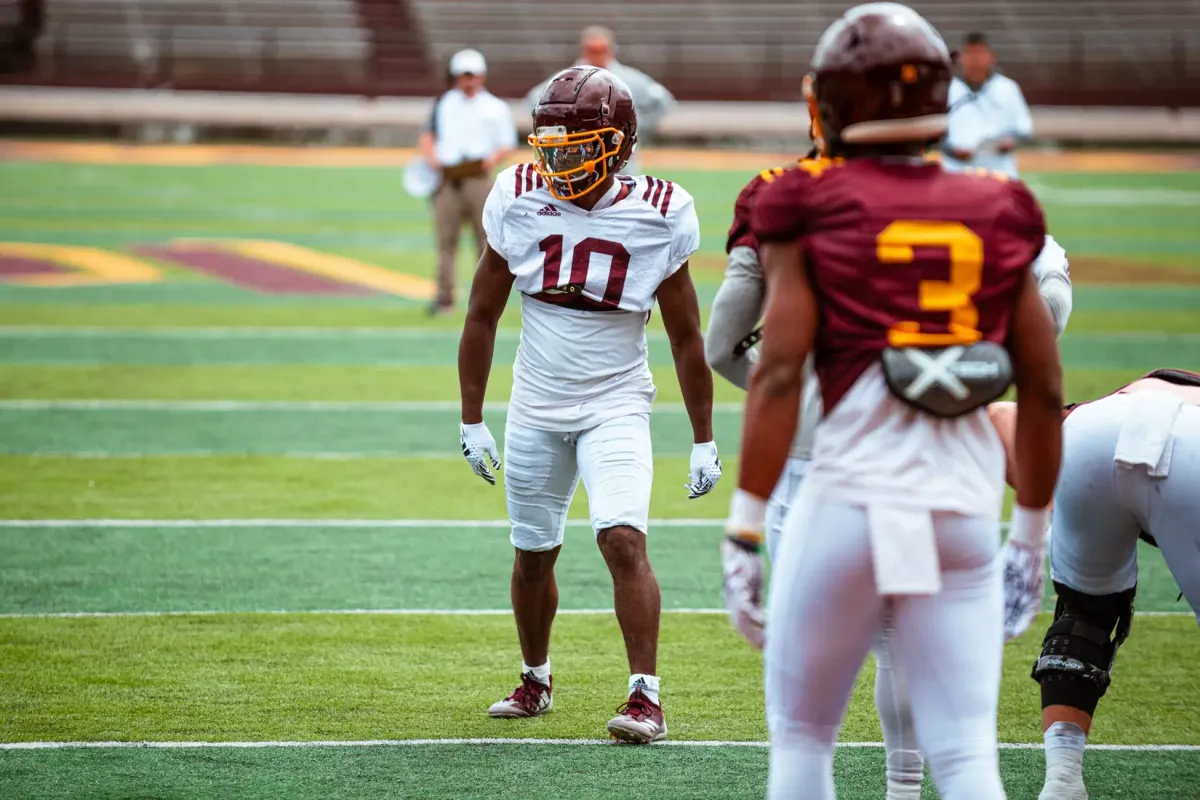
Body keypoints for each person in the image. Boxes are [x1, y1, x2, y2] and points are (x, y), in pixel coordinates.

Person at [718, 4, 1064, 798]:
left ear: (833, 104)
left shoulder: (801, 199)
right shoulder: (1000, 205)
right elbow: (1042, 388)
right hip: (962, 514)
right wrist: (1032, 538)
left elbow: (775, 372)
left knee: (803, 742)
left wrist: (743, 526)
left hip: (849, 498)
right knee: (969, 757)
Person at [457, 65, 721, 744]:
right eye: (552, 147)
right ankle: (535, 677)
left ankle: (645, 697)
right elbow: (482, 314)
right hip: (537, 406)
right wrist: (471, 416)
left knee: (622, 537)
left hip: (615, 402)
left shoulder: (660, 210)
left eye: (576, 147)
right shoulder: (517, 195)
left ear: (619, 143)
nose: (559, 160)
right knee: (533, 553)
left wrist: (703, 435)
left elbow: (689, 337)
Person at [987, 370, 1200, 800]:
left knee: (1084, 616)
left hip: (1091, 434)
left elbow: (1000, 414)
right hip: (1192, 445)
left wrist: (1053, 511)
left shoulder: (1130, 399)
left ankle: (1063, 781)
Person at [418, 48, 517, 315]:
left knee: (486, 242)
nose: (468, 81)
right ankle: (444, 297)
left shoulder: (494, 107)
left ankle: (485, 298)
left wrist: (489, 160)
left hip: (477, 178)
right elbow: (428, 136)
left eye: (472, 75)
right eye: (463, 75)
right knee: (445, 241)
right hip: (448, 179)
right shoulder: (442, 103)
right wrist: (432, 160)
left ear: (481, 76)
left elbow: (507, 143)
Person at [525, 26, 675, 175]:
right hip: (576, 156)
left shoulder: (629, 79)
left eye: (601, 50)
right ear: (584, 50)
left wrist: (639, 128)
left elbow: (663, 101)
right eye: (592, 51)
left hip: (619, 156)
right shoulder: (565, 80)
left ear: (610, 50)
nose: (597, 56)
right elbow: (534, 100)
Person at [942, 32, 1033, 178]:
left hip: (999, 171)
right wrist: (952, 150)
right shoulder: (949, 89)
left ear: (991, 57)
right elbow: (935, 132)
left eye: (979, 53)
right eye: (969, 53)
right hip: (958, 170)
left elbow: (1023, 129)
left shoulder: (1007, 88)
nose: (974, 59)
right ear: (961, 58)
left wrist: (1008, 142)